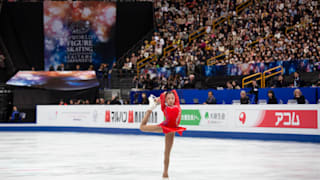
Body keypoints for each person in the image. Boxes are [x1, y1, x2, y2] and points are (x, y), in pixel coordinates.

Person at [140, 90, 186, 179]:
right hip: (164, 126)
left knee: (167, 152)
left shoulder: (177, 104)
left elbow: (174, 91)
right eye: (168, 99)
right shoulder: (164, 107)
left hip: (172, 130)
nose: (171, 100)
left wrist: (165, 94)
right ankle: (150, 109)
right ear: (165, 100)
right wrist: (161, 97)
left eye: (172, 98)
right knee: (142, 127)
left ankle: (165, 172)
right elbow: (163, 97)